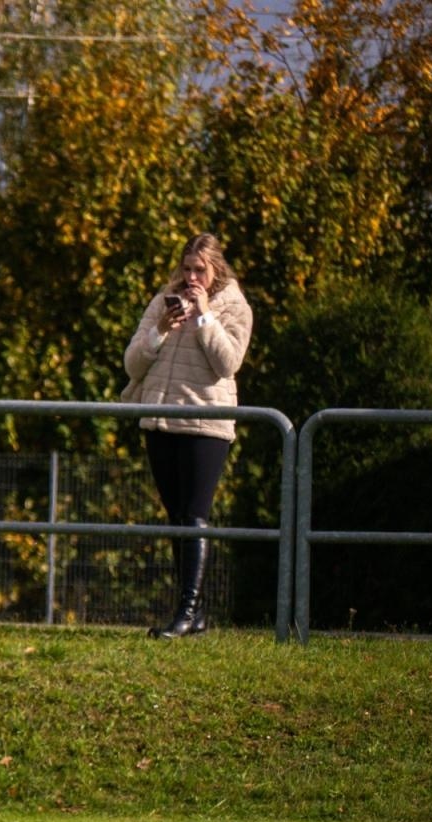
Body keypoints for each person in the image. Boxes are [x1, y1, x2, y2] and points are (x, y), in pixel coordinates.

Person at [121, 232, 253, 639]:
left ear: (216, 271)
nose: (191, 277)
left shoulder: (234, 306)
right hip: (160, 419)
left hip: (205, 424)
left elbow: (228, 363)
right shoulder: (162, 300)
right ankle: (191, 613)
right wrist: (160, 329)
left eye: (200, 270)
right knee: (177, 518)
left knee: (195, 515)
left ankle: (188, 610)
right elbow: (132, 365)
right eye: (187, 268)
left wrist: (204, 318)